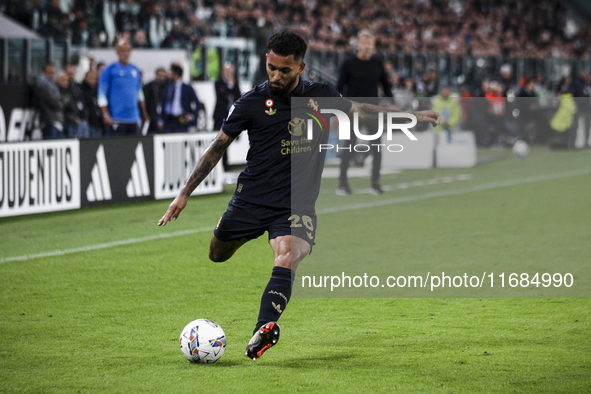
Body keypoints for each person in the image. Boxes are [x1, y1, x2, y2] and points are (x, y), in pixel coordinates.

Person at [158, 31, 440, 361]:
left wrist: (415, 117)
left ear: (301, 67)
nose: (276, 76)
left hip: (295, 204)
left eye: (285, 70)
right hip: (250, 200)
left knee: (288, 255)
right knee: (217, 254)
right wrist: (183, 194)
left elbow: (363, 110)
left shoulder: (321, 97)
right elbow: (217, 148)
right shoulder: (249, 103)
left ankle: (262, 330)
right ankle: (233, 236)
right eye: (271, 67)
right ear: (267, 60)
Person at [335, 30, 393, 196]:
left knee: (377, 148)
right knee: (348, 147)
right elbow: (339, 89)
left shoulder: (377, 64)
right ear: (358, 45)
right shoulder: (348, 64)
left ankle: (375, 183)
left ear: (373, 46)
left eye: (370, 43)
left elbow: (387, 86)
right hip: (352, 111)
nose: (367, 46)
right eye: (364, 42)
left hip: (372, 112)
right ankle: (342, 184)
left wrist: (393, 104)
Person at [97, 39, 149, 136]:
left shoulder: (135, 70)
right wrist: (105, 114)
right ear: (117, 51)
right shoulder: (109, 69)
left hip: (134, 118)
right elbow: (101, 94)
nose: (125, 53)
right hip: (116, 119)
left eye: (128, 50)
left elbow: (139, 93)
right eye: (122, 50)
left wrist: (144, 114)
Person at [213, 62, 242, 170]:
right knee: (217, 141)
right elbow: (223, 96)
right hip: (220, 116)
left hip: (230, 116)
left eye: (231, 72)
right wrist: (230, 86)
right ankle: (215, 165)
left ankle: (225, 165)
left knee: (226, 141)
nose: (230, 74)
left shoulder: (235, 83)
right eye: (228, 71)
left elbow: (238, 96)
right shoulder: (219, 83)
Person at [158, 64, 200, 133]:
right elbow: (163, 103)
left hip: (181, 118)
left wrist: (191, 116)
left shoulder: (187, 88)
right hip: (169, 119)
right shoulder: (168, 87)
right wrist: (161, 119)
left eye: (171, 73)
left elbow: (197, 103)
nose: (168, 75)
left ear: (176, 74)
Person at [35, 63, 65, 139]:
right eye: (50, 72)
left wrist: (60, 99)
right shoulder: (43, 85)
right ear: (44, 72)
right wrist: (61, 100)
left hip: (57, 121)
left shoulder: (53, 85)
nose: (52, 75)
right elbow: (56, 103)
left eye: (53, 72)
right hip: (49, 121)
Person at [143, 67, 168, 133]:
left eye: (163, 76)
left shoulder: (167, 88)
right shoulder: (148, 87)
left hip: (164, 119)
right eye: (159, 76)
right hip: (152, 118)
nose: (161, 78)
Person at [81, 70, 104, 138]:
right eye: (90, 78)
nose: (92, 80)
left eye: (94, 78)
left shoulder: (97, 90)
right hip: (87, 122)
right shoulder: (81, 89)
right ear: (85, 78)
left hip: (98, 122)